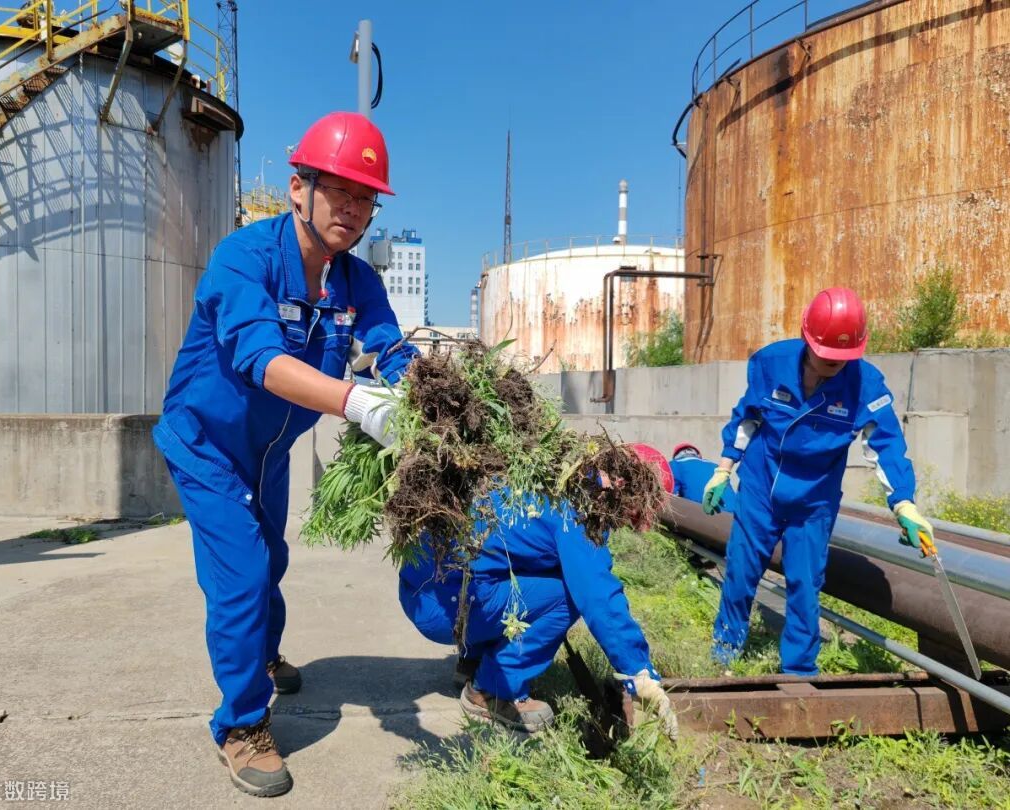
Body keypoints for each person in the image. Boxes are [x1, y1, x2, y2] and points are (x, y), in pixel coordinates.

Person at [153, 112, 417, 797]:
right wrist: (356, 402)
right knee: (241, 574)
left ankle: (263, 657)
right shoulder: (245, 259)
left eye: (365, 199)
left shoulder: (355, 282)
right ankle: (242, 725)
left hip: (270, 451)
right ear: (299, 189)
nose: (352, 209)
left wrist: (429, 391)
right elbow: (262, 361)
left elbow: (389, 348)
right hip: (208, 444)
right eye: (340, 191)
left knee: (271, 559)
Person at [703, 287, 933, 676]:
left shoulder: (865, 385)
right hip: (762, 487)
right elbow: (747, 417)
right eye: (826, 356)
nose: (833, 364)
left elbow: (886, 446)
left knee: (805, 584)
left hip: (814, 499)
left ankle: (799, 671)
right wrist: (723, 469)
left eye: (842, 358)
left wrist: (904, 504)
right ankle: (724, 651)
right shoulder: (771, 363)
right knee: (740, 572)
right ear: (807, 338)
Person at [398, 444, 678, 740]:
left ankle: (473, 661)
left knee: (527, 565)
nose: (630, 524)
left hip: (424, 586)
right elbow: (599, 598)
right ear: (623, 484)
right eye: (637, 512)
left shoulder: (557, 475)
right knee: (567, 596)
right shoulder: (582, 511)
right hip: (444, 608)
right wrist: (639, 673)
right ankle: (492, 690)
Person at [669, 443, 736, 513]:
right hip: (734, 514)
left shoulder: (674, 464)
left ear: (676, 456)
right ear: (699, 455)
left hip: (705, 513)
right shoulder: (717, 467)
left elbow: (671, 497)